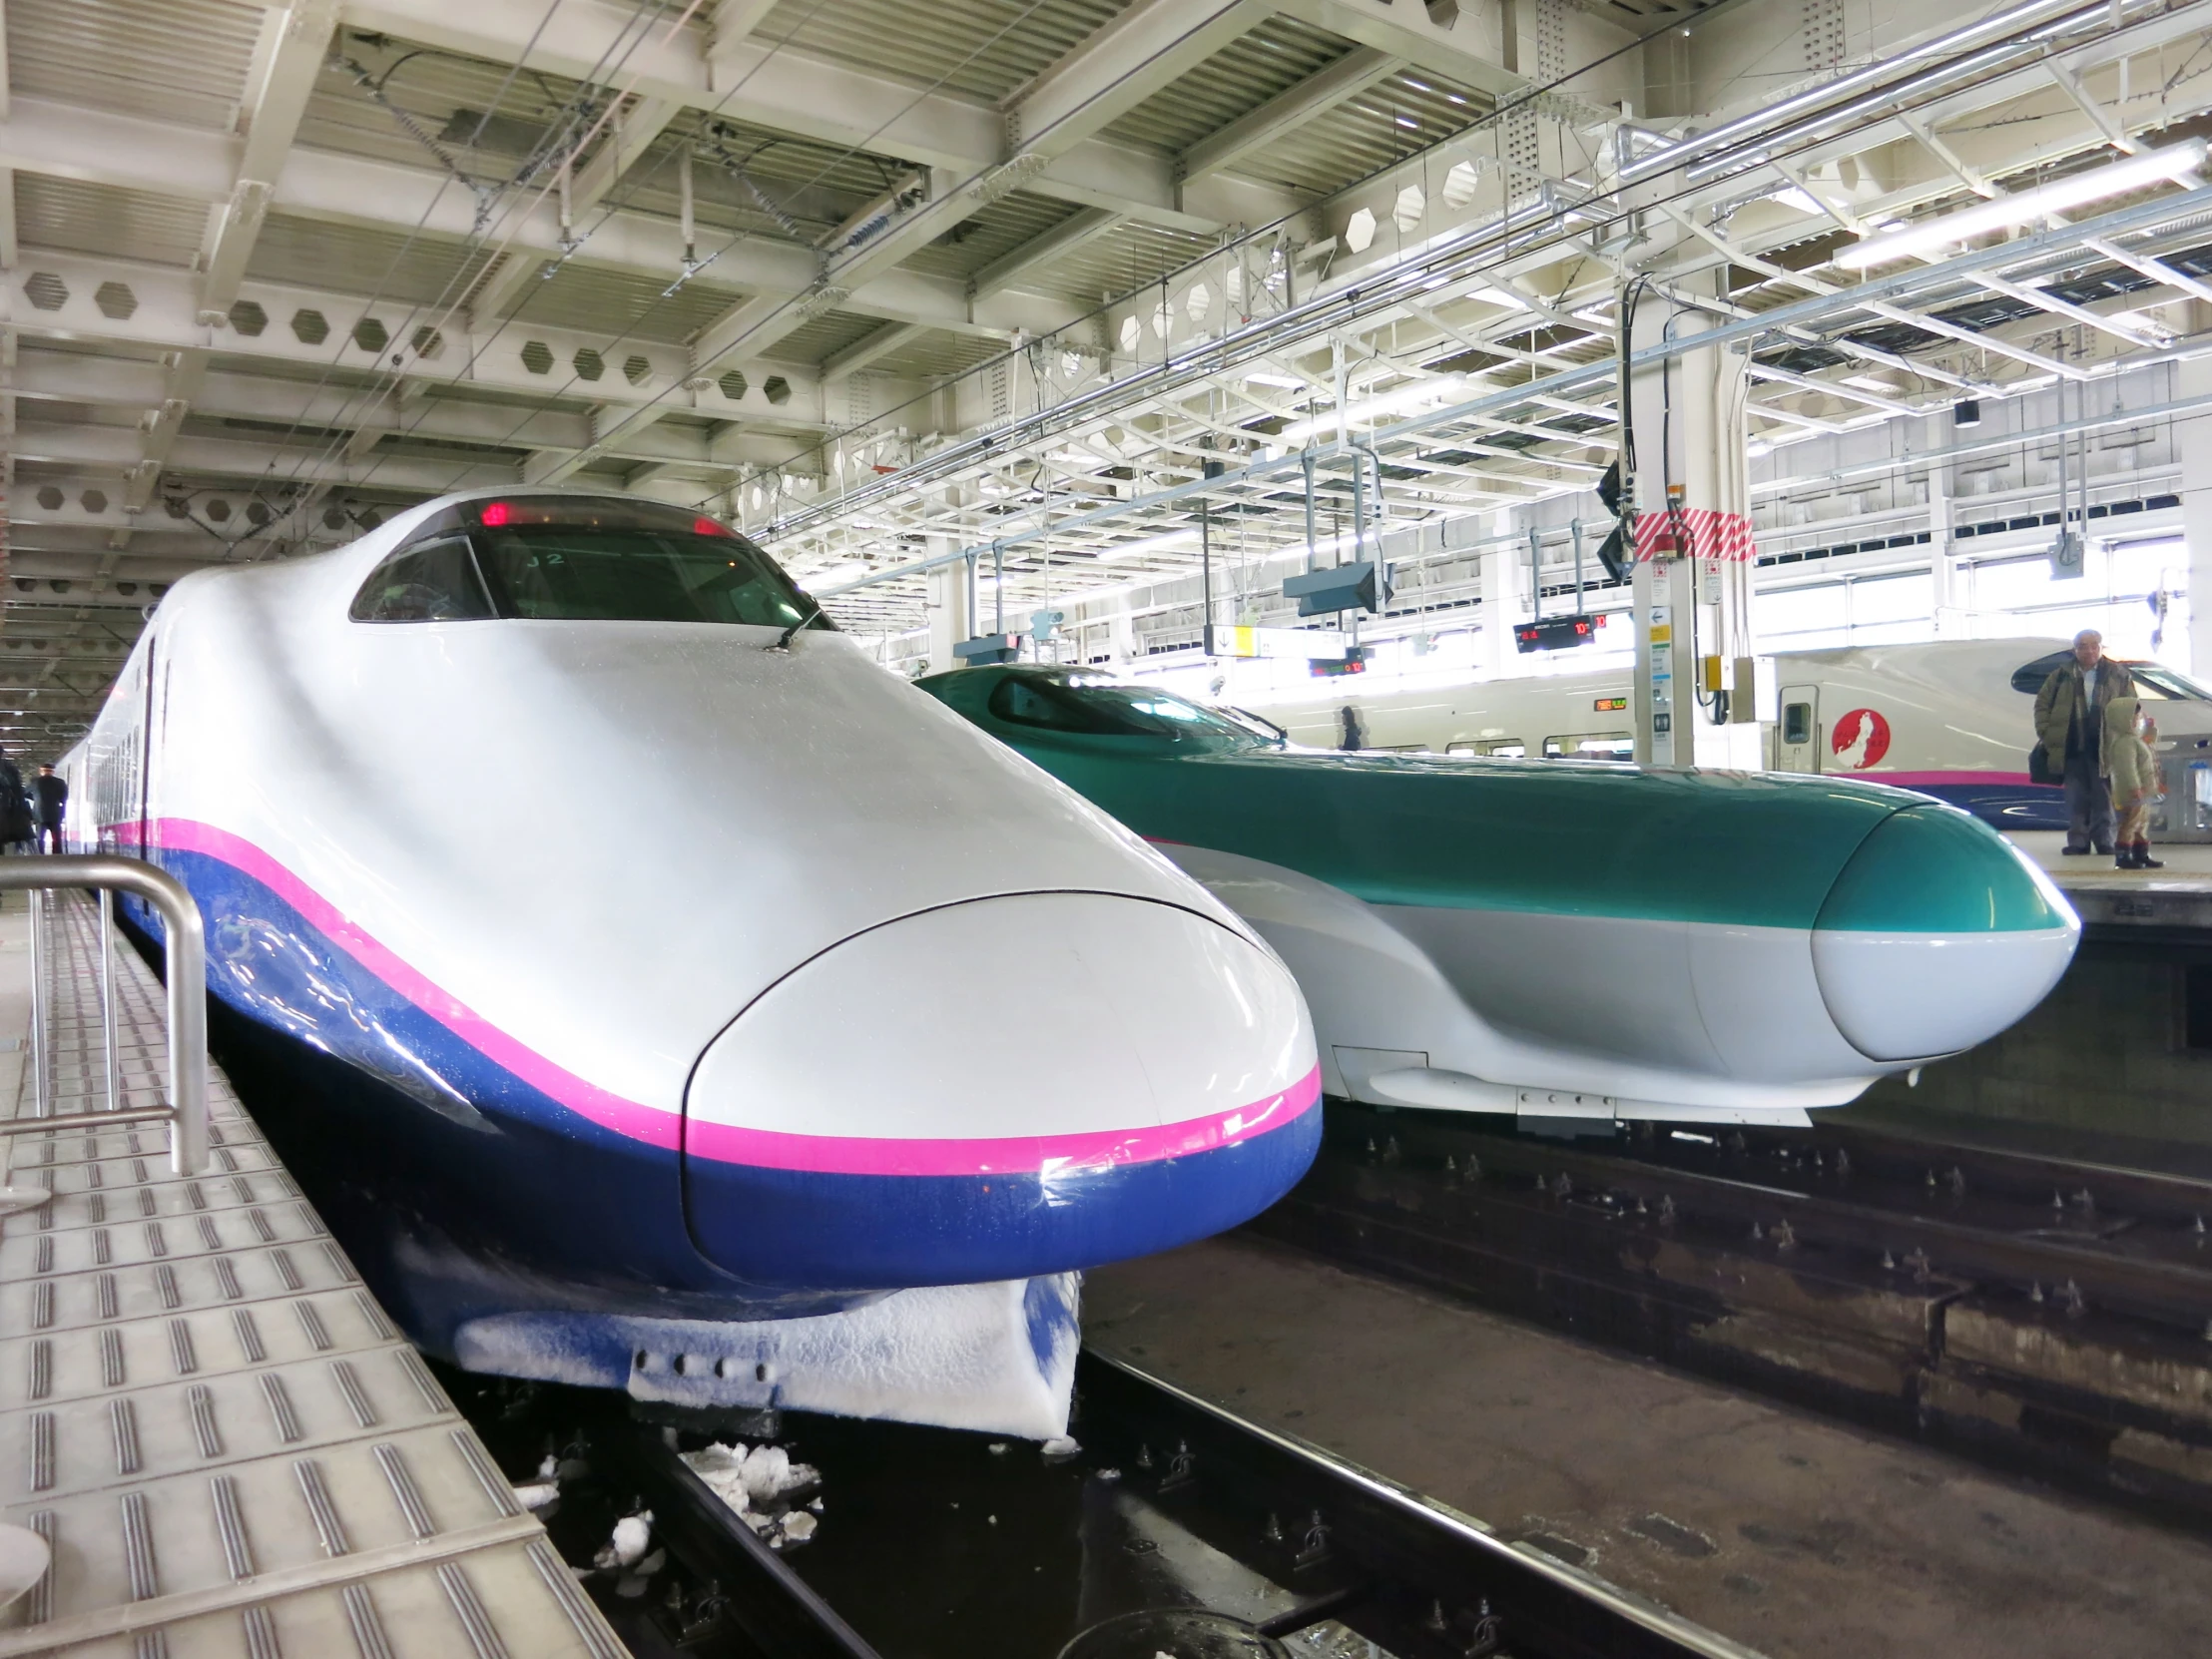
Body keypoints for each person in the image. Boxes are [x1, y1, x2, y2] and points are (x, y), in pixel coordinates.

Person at [2033, 630, 2135, 856]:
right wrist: (2048, 734)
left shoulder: (2118, 674)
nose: (2088, 650)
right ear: (2075, 650)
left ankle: (2105, 841)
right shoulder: (2060, 676)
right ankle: (2078, 841)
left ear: (2101, 647)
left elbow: (2131, 707)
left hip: (2105, 746)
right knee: (2076, 797)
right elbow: (2042, 705)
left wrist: (2125, 738)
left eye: (2094, 645)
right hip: (2071, 746)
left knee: (2104, 797)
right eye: (2083, 646)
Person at [2104, 697, 2164, 869]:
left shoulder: (2135, 740)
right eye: (2136, 718)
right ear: (2123, 720)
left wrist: (2151, 730)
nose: (2140, 720)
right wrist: (2134, 787)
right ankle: (2123, 856)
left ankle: (2141, 855)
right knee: (2130, 823)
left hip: (2143, 792)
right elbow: (2127, 768)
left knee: (2141, 824)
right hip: (2134, 792)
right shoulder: (2125, 743)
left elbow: (2149, 746)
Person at [30, 765, 66, 854]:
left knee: (40, 837)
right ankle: (57, 855)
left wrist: (35, 797)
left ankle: (39, 854)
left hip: (39, 814)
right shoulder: (60, 782)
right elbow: (64, 798)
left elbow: (24, 793)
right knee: (56, 838)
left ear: (41, 771)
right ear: (52, 772)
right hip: (55, 814)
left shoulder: (35, 782)